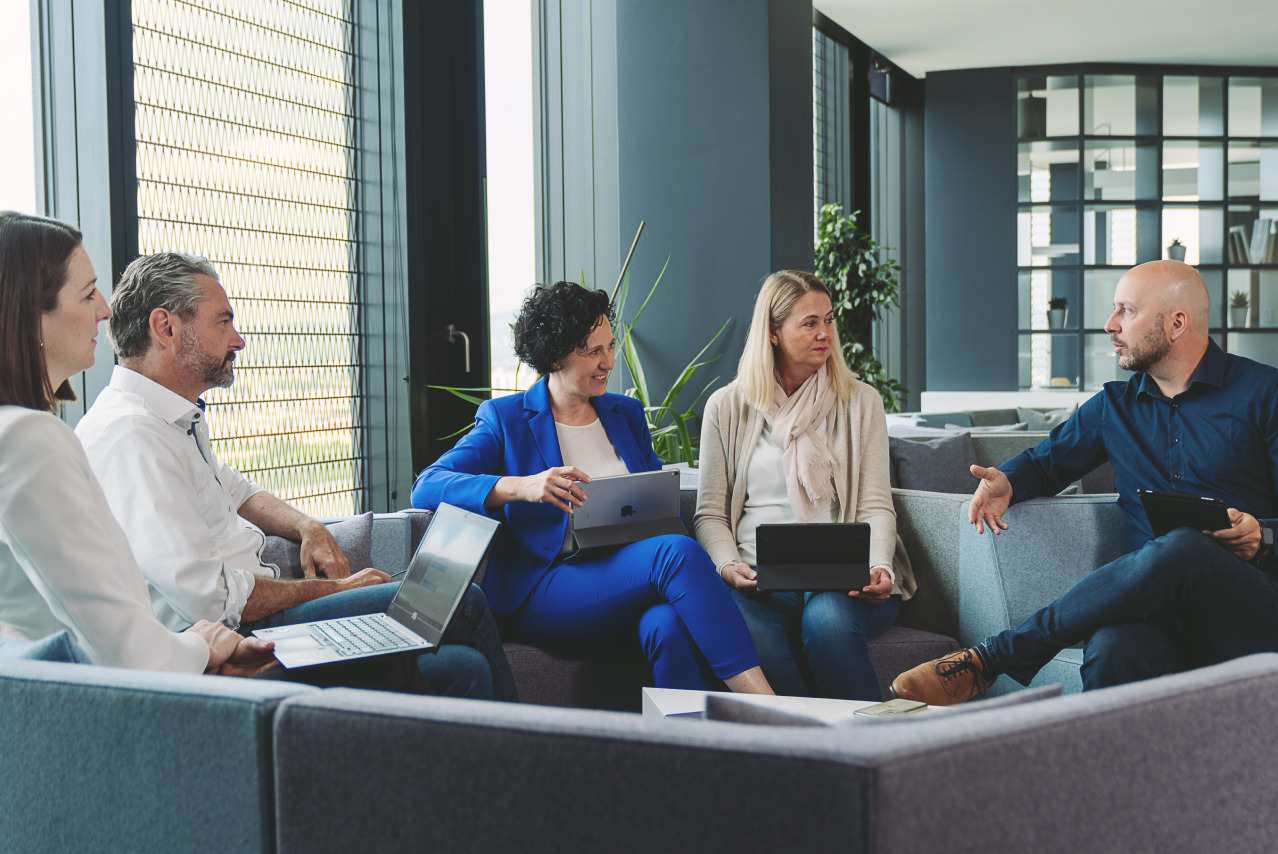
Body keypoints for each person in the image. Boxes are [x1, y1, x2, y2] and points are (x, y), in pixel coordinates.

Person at [75, 251, 515, 700]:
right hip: (239, 637)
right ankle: (544, 760)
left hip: (255, 618)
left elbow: (240, 492)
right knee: (463, 601)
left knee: (464, 669)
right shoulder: (131, 436)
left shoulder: (171, 419)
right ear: (165, 328)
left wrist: (310, 526)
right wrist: (329, 590)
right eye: (222, 322)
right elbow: (213, 599)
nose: (238, 340)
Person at [892, 259, 1278, 705]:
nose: (1110, 325)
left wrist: (1263, 536)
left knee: (1186, 545)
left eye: (1127, 311)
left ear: (1176, 323)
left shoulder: (1265, 393)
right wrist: (1009, 483)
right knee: (1112, 649)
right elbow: (1044, 464)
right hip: (1157, 612)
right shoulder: (1114, 405)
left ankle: (994, 658)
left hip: (1250, 606)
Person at [412, 281, 773, 693]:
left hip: (630, 576)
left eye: (610, 347)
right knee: (675, 554)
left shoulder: (626, 414)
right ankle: (770, 710)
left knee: (667, 625)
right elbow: (427, 485)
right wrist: (521, 486)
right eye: (593, 351)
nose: (609, 362)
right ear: (554, 355)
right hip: (547, 589)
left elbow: (657, 505)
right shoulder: (505, 419)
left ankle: (687, 753)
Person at [0, 211, 275, 676]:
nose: (104, 310)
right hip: (117, 704)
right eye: (88, 294)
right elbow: (122, 646)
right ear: (31, 312)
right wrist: (202, 648)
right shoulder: (30, 440)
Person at [695, 270, 915, 701]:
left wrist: (880, 567)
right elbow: (711, 514)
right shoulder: (726, 407)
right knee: (755, 638)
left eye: (829, 320)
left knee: (828, 622)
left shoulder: (860, 401)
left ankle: (882, 751)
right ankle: (811, 755)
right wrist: (727, 565)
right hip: (757, 578)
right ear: (773, 333)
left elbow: (875, 504)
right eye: (809, 323)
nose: (825, 334)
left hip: (844, 577)